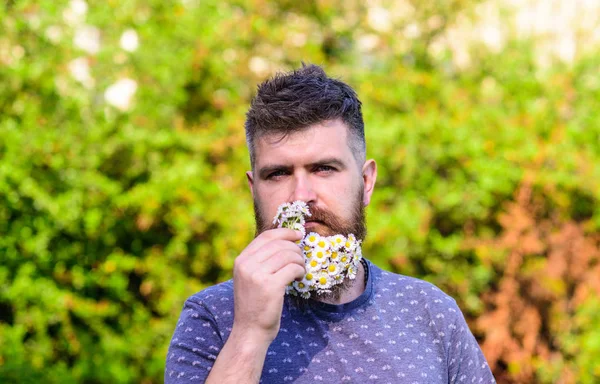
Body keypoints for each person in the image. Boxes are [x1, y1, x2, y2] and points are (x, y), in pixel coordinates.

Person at [165, 64, 496, 383]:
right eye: (278, 174)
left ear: (366, 182)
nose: (301, 196)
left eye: (324, 168)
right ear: (254, 190)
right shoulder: (212, 317)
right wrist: (250, 334)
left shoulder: (429, 311)